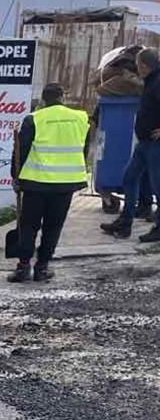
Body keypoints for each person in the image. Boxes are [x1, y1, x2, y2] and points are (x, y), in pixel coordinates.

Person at [9, 83, 90, 283]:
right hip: (66, 184)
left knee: (29, 225)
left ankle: (23, 267)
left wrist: (15, 177)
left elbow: (21, 151)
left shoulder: (34, 119)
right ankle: (42, 268)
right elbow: (84, 149)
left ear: (43, 100)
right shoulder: (80, 118)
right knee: (53, 226)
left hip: (36, 183)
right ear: (62, 97)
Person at [101, 47, 160, 242]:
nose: (137, 70)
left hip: (155, 144)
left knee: (157, 186)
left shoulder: (158, 82)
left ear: (144, 66)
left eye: (138, 66)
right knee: (129, 178)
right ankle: (125, 222)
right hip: (144, 142)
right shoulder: (151, 81)